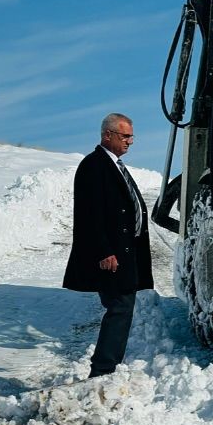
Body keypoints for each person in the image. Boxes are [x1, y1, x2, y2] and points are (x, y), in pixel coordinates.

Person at [62, 113, 154, 376]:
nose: (130, 142)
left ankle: (106, 367)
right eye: (125, 136)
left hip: (126, 252)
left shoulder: (114, 165)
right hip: (112, 254)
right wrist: (104, 251)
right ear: (107, 135)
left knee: (122, 306)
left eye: (131, 136)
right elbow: (89, 214)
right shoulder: (93, 165)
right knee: (120, 306)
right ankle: (103, 369)